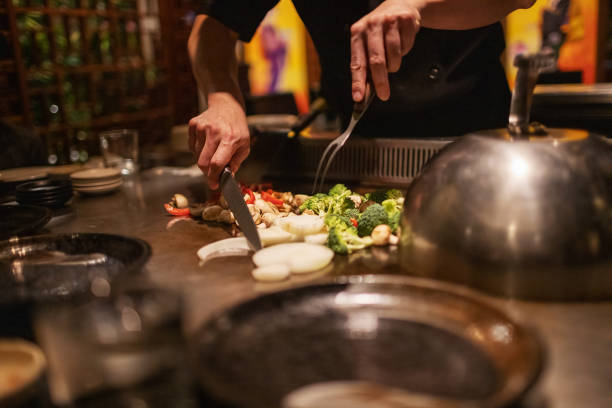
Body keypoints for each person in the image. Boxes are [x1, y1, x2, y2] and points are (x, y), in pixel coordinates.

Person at [188, 0, 535, 189]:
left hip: (475, 135)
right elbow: (215, 25)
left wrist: (418, 5)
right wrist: (223, 99)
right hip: (358, 148)